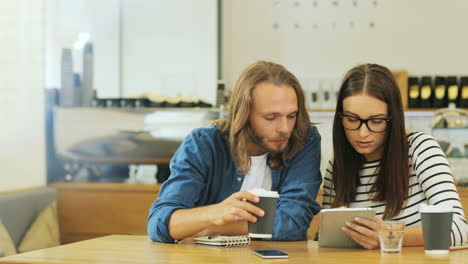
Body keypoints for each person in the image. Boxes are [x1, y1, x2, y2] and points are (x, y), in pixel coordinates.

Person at [147, 61, 322, 243]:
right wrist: (214, 213)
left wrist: (212, 227)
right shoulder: (203, 144)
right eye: (271, 117)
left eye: (291, 116)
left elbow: (292, 224)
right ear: (243, 114)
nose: (285, 128)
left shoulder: (304, 139)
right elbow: (159, 223)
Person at [322, 63, 468, 249]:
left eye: (376, 121)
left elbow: (459, 230)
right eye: (352, 119)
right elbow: (324, 242)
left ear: (394, 118)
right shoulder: (337, 166)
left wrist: (390, 235)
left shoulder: (420, 149)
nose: (363, 133)